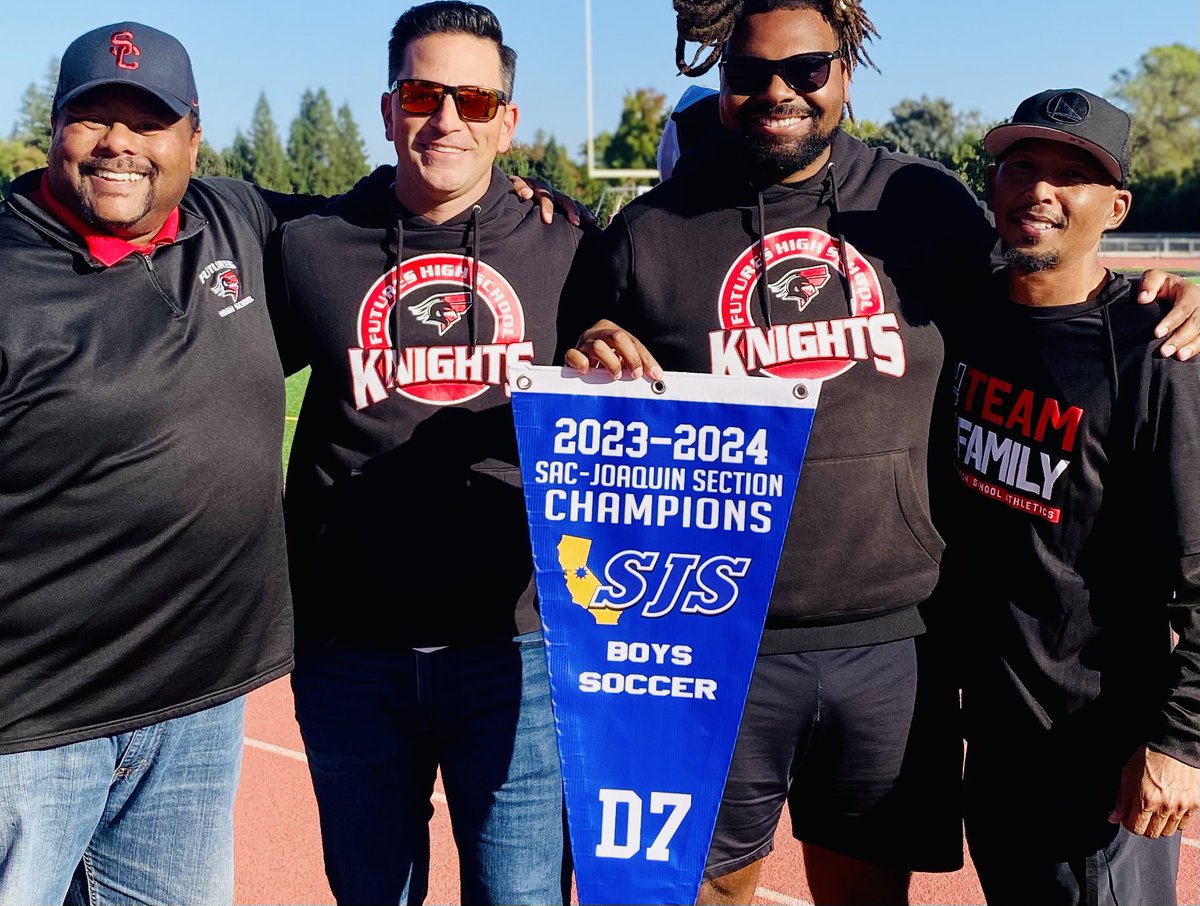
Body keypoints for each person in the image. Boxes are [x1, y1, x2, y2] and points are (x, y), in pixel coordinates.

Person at [559, 2, 1199, 904]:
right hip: (711, 645)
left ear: (846, 72)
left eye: (807, 69)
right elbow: (566, 375)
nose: (776, 91)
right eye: (747, 74)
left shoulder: (923, 206)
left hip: (895, 645)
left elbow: (1048, 279)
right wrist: (586, 346)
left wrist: (1154, 300)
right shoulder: (648, 233)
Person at [266, 3, 612, 903]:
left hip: (519, 652)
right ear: (389, 110)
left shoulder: (577, 250)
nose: (446, 117)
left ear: (508, 121)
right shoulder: (308, 249)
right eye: (422, 92)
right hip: (350, 651)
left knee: (523, 898)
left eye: (473, 98)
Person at [0, 22, 311, 906]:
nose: (121, 146)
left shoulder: (236, 219)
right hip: (30, 726)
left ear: (193, 138)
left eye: (150, 121)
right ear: (55, 129)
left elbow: (383, 223)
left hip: (197, 707)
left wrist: (510, 201)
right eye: (94, 117)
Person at [942, 88, 1200, 906]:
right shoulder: (964, 312)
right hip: (995, 739)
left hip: (1098, 756)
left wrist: (1182, 740)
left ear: (1116, 206)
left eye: (1072, 175)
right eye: (1023, 165)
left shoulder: (1158, 348)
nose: (1040, 190)